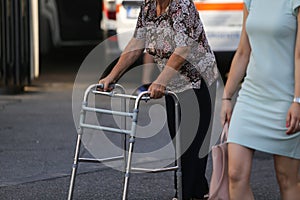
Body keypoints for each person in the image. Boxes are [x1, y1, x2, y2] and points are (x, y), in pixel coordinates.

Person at [98, 0, 218, 199]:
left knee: (191, 145)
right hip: (173, 83)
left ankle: (184, 194)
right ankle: (198, 191)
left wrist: (160, 81)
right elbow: (137, 43)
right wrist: (112, 75)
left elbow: (183, 49)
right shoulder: (149, 6)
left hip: (199, 80)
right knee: (179, 143)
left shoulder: (182, 6)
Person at [221, 0, 300, 199]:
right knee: (235, 175)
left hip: (286, 99)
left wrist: (297, 100)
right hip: (250, 96)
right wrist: (226, 96)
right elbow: (242, 51)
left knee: (287, 178)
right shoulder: (250, 0)